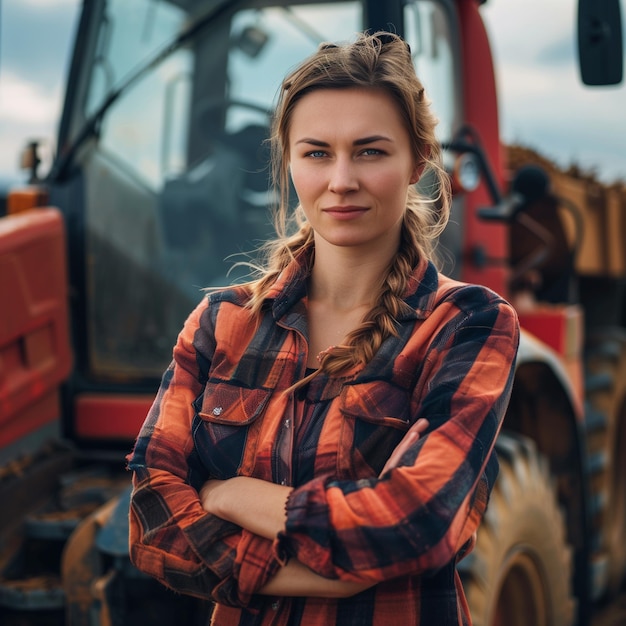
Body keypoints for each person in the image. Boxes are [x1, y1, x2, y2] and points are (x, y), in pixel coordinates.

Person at [127, 31, 520, 626]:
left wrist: (233, 496)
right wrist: (330, 579)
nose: (341, 180)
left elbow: (418, 523)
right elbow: (153, 520)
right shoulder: (220, 323)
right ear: (288, 162)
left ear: (417, 161)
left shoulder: (466, 325)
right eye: (316, 153)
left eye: (369, 151)